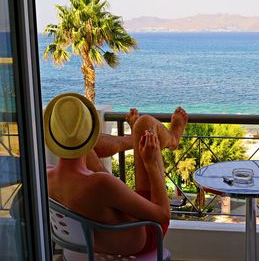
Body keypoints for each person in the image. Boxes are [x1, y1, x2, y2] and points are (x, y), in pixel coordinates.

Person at [45, 93, 188, 256]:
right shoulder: (101, 184)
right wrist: (151, 163)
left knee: (140, 127)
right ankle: (171, 139)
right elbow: (163, 215)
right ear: (90, 130)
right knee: (146, 123)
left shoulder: (44, 176)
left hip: (88, 241)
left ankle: (135, 138)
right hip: (143, 234)